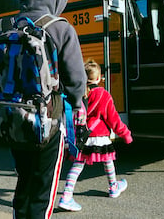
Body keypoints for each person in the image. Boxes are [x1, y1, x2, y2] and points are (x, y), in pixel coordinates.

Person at [10, 0, 87, 219]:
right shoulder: (61, 27)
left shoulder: (9, 26)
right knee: (44, 188)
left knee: (24, 179)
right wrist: (78, 105)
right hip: (48, 120)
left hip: (13, 119)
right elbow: (76, 78)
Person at [58, 59, 133, 212]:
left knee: (77, 165)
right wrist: (125, 134)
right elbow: (113, 119)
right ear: (99, 78)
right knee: (108, 161)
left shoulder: (79, 94)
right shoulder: (103, 95)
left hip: (82, 136)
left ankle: (66, 195)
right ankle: (113, 187)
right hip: (99, 136)